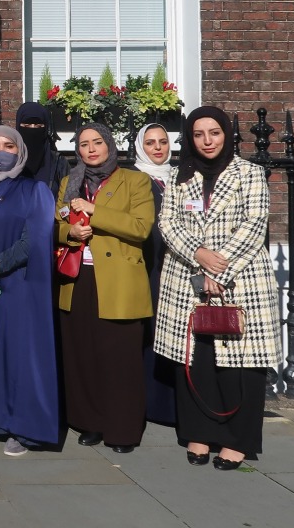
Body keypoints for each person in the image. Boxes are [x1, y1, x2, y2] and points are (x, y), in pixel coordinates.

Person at [155, 106, 281, 470]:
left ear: (226, 135)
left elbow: (255, 224)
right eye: (198, 134)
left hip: (240, 280)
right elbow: (169, 223)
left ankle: (238, 441)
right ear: (190, 139)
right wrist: (199, 255)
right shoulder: (181, 176)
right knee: (197, 359)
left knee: (240, 362)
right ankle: (199, 433)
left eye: (214, 133)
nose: (207, 141)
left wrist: (218, 268)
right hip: (187, 279)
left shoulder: (250, 174)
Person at [55, 122, 154, 453]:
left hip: (119, 282)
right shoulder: (70, 181)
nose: (91, 149)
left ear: (110, 145)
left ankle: (123, 429)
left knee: (119, 360)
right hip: (78, 280)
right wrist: (70, 234)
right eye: (83, 144)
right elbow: (56, 224)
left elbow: (140, 228)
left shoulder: (136, 180)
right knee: (83, 356)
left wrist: (94, 212)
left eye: (97, 142)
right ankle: (90, 422)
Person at [0, 125, 61, 455]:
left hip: (18, 285)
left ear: (20, 150)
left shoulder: (33, 190)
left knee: (19, 355)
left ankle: (20, 426)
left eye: (8, 145)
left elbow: (32, 241)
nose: (1, 150)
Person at [135, 122, 178, 426]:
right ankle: (150, 402)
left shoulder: (180, 178)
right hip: (147, 265)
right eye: (150, 143)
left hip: (176, 266)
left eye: (162, 141)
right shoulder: (134, 180)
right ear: (140, 147)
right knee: (148, 334)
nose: (158, 148)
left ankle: (173, 403)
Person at [15, 102, 70, 196]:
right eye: (26, 125)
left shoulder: (58, 163)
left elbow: (67, 197)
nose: (32, 130)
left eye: (38, 126)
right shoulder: (10, 160)